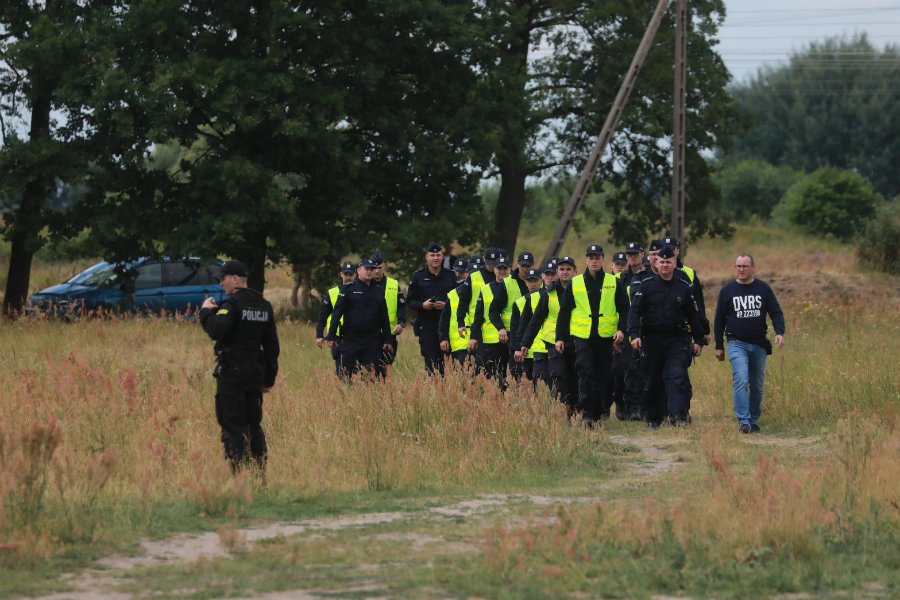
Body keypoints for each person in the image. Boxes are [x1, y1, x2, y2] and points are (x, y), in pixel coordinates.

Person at [200, 260, 279, 474]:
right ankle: (258, 472)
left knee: (233, 425)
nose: (221, 285)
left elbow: (217, 330)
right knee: (254, 425)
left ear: (235, 279)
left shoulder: (232, 305)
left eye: (223, 280)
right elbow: (272, 347)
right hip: (254, 375)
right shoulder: (263, 305)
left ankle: (237, 474)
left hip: (232, 376)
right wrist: (268, 379)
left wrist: (206, 312)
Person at [627, 246, 705, 429]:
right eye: (661, 262)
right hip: (652, 339)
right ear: (656, 263)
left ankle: (678, 416)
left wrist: (699, 339)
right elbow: (634, 312)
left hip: (677, 340)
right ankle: (654, 419)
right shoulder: (646, 285)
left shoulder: (684, 287)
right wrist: (634, 335)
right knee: (653, 379)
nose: (665, 265)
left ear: (675, 263)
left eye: (668, 261)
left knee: (676, 376)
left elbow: (694, 315)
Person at [556, 244, 628, 428]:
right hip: (582, 337)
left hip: (605, 337)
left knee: (604, 375)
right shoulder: (576, 282)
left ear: (603, 259)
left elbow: (625, 310)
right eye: (591, 257)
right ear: (586, 260)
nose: (594, 261)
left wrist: (622, 330)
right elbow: (564, 312)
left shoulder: (613, 282)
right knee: (586, 372)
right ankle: (587, 413)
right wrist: (560, 337)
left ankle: (599, 410)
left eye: (597, 257)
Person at [714, 254, 785, 433]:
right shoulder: (727, 290)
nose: (741, 269)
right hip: (736, 343)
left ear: (753, 267)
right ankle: (743, 420)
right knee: (741, 379)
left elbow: (776, 312)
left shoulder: (763, 289)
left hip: (759, 344)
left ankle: (753, 419)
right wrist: (718, 345)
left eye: (744, 266)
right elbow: (719, 319)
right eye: (738, 266)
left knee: (757, 385)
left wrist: (779, 333)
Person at [520, 256, 579, 416]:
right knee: (558, 376)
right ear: (557, 272)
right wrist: (526, 343)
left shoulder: (581, 290)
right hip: (553, 342)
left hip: (577, 340)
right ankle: (563, 411)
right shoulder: (549, 293)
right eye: (562, 269)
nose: (565, 272)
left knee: (576, 376)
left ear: (575, 271)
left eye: (568, 269)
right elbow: (536, 319)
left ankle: (577, 411)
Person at [327, 259, 394, 381]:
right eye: (366, 269)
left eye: (371, 269)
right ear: (358, 271)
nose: (369, 272)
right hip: (351, 339)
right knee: (346, 375)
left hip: (371, 340)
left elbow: (384, 317)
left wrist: (388, 338)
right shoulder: (349, 288)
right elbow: (337, 313)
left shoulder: (378, 290)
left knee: (371, 376)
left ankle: (367, 398)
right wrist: (331, 336)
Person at [406, 242, 459, 375]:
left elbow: (459, 300)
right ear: (427, 257)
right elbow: (410, 301)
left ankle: (447, 392)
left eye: (438, 255)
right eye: (432, 255)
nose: (435, 258)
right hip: (427, 327)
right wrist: (422, 305)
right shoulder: (418, 276)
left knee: (448, 364)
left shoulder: (451, 276)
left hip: (447, 327)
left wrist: (446, 305)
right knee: (431, 364)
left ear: (442, 257)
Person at [469, 256, 522, 389]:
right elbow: (479, 314)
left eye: (505, 268)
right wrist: (474, 337)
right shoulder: (486, 289)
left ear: (510, 269)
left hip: (512, 334)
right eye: (499, 268)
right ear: (494, 269)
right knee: (494, 372)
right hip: (491, 338)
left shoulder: (517, 285)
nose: (502, 271)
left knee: (516, 370)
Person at [315, 261, 356, 374]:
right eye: (346, 274)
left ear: (355, 275)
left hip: (355, 334)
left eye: (350, 274)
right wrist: (319, 335)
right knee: (341, 369)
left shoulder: (360, 291)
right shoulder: (332, 293)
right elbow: (323, 316)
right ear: (341, 274)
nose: (348, 277)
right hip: (337, 336)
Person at [370, 250, 406, 371]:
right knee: (370, 367)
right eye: (373, 268)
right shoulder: (364, 284)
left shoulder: (394, 284)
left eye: (379, 267)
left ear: (384, 266)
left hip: (389, 334)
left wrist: (401, 323)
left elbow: (401, 306)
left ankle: (384, 389)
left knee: (386, 367)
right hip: (369, 333)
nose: (376, 271)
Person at [510, 267, 543, 384]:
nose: (533, 284)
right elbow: (515, 328)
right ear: (525, 282)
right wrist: (517, 348)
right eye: (530, 281)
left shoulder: (548, 298)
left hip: (544, 349)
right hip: (527, 350)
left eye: (535, 280)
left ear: (541, 280)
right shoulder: (520, 303)